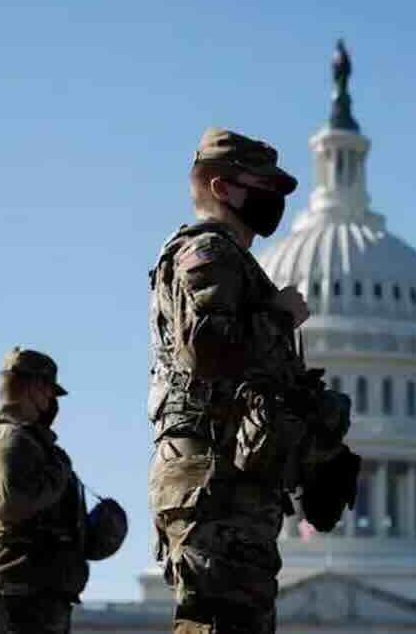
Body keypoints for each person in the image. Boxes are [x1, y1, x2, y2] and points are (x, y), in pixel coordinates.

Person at [148, 128, 354, 634]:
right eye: (260, 185)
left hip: (231, 477)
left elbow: (248, 381)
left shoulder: (236, 261)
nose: (275, 200)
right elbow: (209, 349)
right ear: (220, 187)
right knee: (221, 620)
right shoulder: (209, 252)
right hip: (212, 478)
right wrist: (280, 317)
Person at [0, 348, 92, 634]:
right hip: (12, 600)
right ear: (34, 388)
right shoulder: (5, 439)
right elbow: (10, 506)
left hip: (34, 598)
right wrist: (59, 470)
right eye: (48, 392)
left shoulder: (31, 442)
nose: (51, 402)